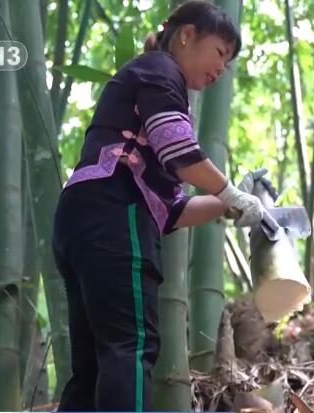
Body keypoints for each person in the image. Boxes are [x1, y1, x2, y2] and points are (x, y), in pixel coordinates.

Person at [51, 2, 270, 410]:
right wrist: (230, 192)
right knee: (131, 345)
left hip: (81, 218)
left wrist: (228, 204)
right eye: (220, 53)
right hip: (114, 212)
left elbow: (171, 211)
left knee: (95, 364)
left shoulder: (153, 82)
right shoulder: (160, 69)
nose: (222, 68)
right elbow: (179, 152)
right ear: (187, 35)